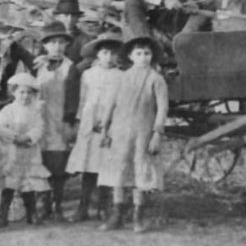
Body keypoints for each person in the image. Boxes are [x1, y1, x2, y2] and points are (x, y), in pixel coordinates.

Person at [98, 35, 168, 233]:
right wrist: (104, 128)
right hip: (120, 131)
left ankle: (138, 214)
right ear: (130, 56)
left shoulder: (156, 79)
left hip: (143, 132)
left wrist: (157, 134)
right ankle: (117, 214)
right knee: (118, 169)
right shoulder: (121, 77)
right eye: (138, 53)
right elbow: (110, 104)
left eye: (147, 53)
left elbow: (162, 108)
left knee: (140, 168)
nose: (143, 57)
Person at [66, 31, 123, 222]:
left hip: (110, 126)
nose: (109, 57)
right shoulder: (88, 75)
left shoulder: (121, 76)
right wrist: (79, 121)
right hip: (89, 124)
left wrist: (111, 124)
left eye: (113, 53)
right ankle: (82, 207)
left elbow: (120, 104)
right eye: (105, 53)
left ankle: (102, 207)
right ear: (98, 54)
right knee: (88, 167)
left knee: (105, 166)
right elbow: (83, 101)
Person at [34, 21, 81, 222]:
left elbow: (73, 98)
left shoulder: (71, 68)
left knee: (59, 166)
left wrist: (70, 123)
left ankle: (57, 204)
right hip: (40, 122)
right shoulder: (38, 66)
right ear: (45, 45)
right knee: (41, 163)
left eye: (61, 42)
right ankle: (42, 204)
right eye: (52, 43)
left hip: (60, 120)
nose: (57, 47)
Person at [0, 73, 51, 227]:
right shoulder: (7, 110)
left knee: (28, 183)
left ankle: (31, 213)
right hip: (12, 152)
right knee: (10, 183)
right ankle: (2, 215)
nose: (25, 96)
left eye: (29, 93)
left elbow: (40, 128)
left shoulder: (35, 111)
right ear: (14, 92)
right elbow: (1, 128)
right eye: (21, 92)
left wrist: (28, 137)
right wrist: (14, 137)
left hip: (29, 151)